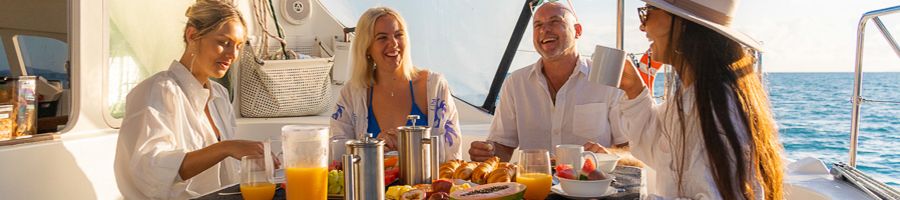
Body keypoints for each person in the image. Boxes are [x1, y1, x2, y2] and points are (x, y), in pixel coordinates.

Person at [616, 0, 784, 199]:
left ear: (682, 24)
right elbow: (660, 155)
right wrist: (634, 90)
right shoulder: (695, 95)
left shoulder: (719, 109)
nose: (642, 26)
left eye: (648, 12)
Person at [114, 1, 264, 199]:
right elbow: (151, 171)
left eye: (237, 46)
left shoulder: (219, 95)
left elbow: (227, 175)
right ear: (192, 35)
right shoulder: (157, 91)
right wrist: (227, 147)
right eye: (223, 42)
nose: (232, 55)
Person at [469, 2, 628, 162]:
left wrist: (609, 155)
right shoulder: (515, 83)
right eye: (538, 25)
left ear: (577, 31)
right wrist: (488, 152)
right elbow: (503, 146)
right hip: (533, 185)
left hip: (591, 185)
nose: (544, 30)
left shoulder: (608, 82)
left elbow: (631, 150)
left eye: (555, 22)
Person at [330, 7, 462, 160]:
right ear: (367, 48)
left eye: (399, 35)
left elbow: (452, 154)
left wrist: (409, 146)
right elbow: (336, 150)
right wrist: (374, 146)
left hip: (428, 184)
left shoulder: (435, 87)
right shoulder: (352, 93)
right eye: (382, 38)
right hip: (371, 184)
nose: (393, 44)